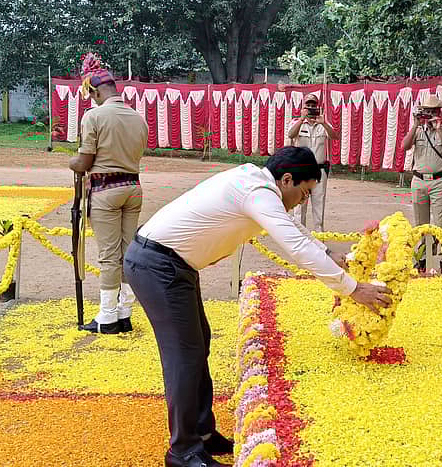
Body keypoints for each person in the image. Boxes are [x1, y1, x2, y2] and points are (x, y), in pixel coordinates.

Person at [123, 147, 393, 467]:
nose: (304, 201)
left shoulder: (257, 185)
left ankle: (203, 433)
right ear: (287, 179)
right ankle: (182, 451)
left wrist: (327, 252)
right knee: (184, 355)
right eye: (305, 192)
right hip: (158, 265)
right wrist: (353, 289)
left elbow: (293, 230)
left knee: (198, 344)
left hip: (171, 265)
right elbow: (293, 244)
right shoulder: (258, 192)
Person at [69, 54, 148, 334]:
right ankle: (125, 313)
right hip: (133, 188)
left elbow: (85, 162)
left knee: (108, 256)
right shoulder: (138, 118)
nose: (90, 98)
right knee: (127, 253)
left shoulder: (94, 116)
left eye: (90, 93)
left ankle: (107, 317)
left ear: (97, 91)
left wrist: (72, 163)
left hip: (106, 190)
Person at [400, 94, 442, 274]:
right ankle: (422, 258)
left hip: (439, 181)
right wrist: (416, 124)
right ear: (422, 111)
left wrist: (438, 128)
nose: (430, 114)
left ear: (439, 112)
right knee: (420, 224)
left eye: (434, 111)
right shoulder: (417, 130)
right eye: (427, 111)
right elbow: (404, 146)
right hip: (419, 180)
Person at [287, 94, 339, 230]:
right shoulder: (296, 122)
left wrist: (323, 123)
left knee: (318, 207)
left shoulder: (323, 123)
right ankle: (301, 242)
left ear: (317, 107)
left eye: (313, 105)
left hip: (319, 171)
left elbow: (335, 136)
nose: (310, 108)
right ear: (303, 107)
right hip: (301, 171)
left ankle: (319, 241)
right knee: (299, 208)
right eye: (308, 105)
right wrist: (301, 119)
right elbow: (291, 135)